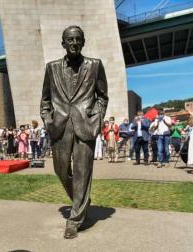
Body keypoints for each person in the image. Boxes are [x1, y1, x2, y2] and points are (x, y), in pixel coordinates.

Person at [40, 25, 108, 239]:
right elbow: (45, 99)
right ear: (63, 43)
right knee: (61, 171)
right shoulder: (51, 68)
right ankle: (82, 201)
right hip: (59, 126)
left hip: (85, 125)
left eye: (78, 39)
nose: (74, 43)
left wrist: (96, 118)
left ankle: (75, 219)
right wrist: (47, 118)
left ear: (83, 42)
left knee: (82, 173)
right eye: (70, 40)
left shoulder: (95, 65)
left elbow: (102, 96)